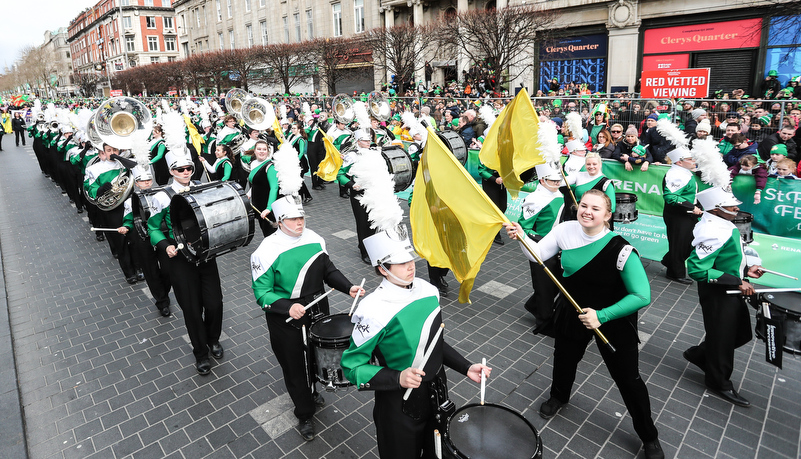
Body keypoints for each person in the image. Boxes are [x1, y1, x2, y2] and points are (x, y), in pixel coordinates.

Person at [504, 190, 664, 459]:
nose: (587, 211)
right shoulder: (565, 229)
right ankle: (559, 396)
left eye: (596, 208)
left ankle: (649, 436)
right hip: (573, 311)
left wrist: (601, 316)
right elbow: (537, 255)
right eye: (584, 206)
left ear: (608, 215)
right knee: (564, 358)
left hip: (614, 319)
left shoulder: (622, 249)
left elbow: (642, 295)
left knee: (628, 378)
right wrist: (521, 236)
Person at [340, 227, 491, 459]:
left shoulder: (428, 290)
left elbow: (433, 343)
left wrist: (466, 366)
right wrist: (397, 377)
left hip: (437, 393)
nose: (410, 266)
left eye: (410, 259)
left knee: (438, 453)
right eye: (401, 263)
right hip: (397, 403)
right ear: (382, 268)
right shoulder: (372, 309)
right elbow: (352, 367)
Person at [251, 195, 364, 441]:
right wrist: (286, 307)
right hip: (286, 316)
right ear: (280, 221)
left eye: (301, 217)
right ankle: (304, 413)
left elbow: (328, 271)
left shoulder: (315, 239)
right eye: (293, 218)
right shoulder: (266, 251)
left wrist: (349, 287)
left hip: (317, 307)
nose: (300, 222)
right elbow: (262, 293)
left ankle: (311, 391)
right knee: (294, 365)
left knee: (314, 357)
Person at [684, 187, 764, 407]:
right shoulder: (712, 230)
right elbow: (697, 270)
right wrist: (737, 281)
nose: (737, 208)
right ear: (716, 209)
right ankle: (719, 382)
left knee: (740, 334)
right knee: (724, 338)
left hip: (730, 287)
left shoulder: (724, 223)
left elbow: (726, 257)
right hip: (719, 292)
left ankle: (701, 355)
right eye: (731, 206)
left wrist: (746, 270)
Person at [148, 153, 224, 376]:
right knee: (191, 309)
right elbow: (152, 227)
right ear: (171, 171)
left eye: (188, 168)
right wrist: (165, 245)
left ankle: (213, 340)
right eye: (179, 169)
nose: (185, 172)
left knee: (214, 304)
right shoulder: (162, 196)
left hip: (205, 255)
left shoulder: (201, 187)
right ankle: (200, 353)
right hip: (180, 258)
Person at [518, 162, 564, 334]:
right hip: (540, 246)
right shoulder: (534, 200)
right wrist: (542, 240)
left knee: (557, 282)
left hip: (558, 245)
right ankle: (543, 322)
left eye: (558, 180)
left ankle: (533, 304)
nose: (557, 183)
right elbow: (524, 226)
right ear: (543, 180)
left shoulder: (557, 192)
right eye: (553, 181)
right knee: (544, 286)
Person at [119, 166, 172, 316]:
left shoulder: (162, 195)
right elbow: (129, 220)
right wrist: (125, 227)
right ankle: (162, 302)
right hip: (142, 237)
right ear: (136, 183)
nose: (146, 183)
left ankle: (164, 290)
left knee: (168, 269)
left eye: (149, 180)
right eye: (142, 181)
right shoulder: (130, 201)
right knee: (150, 270)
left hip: (162, 235)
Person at [84, 143, 138, 284]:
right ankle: (129, 272)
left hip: (130, 204)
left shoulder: (125, 164)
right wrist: (101, 189)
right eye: (109, 150)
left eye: (115, 149)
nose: (112, 152)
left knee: (134, 237)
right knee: (120, 241)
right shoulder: (94, 169)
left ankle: (138, 268)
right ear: (103, 152)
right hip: (112, 208)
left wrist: (120, 158)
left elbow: (138, 168)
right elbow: (89, 189)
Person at [661, 149, 702, 284]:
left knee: (688, 242)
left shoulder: (683, 172)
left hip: (685, 213)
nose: (694, 161)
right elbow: (671, 196)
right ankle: (674, 273)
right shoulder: (676, 174)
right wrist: (691, 207)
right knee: (680, 244)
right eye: (690, 159)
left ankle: (670, 260)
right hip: (679, 214)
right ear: (679, 162)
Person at [337, 128, 377, 264]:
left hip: (373, 191)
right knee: (362, 222)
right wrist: (351, 185)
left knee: (373, 221)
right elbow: (340, 174)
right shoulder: (352, 155)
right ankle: (364, 251)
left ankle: (372, 246)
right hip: (359, 192)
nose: (368, 142)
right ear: (358, 141)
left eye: (369, 140)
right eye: (365, 140)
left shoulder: (373, 153)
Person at [245, 139, 280, 237]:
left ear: (268, 151)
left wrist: (269, 208)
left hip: (267, 205)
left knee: (271, 234)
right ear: (254, 150)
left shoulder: (270, 166)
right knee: (266, 232)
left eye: (264, 149)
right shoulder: (254, 163)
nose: (261, 151)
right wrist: (249, 194)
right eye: (259, 149)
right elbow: (257, 183)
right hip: (258, 205)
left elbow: (274, 187)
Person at [287, 122, 313, 203]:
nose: (292, 130)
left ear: (299, 129)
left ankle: (302, 197)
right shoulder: (292, 137)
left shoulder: (300, 139)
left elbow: (301, 152)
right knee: (298, 180)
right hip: (294, 161)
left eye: (294, 128)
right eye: (292, 128)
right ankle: (307, 196)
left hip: (300, 162)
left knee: (299, 180)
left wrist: (296, 161)